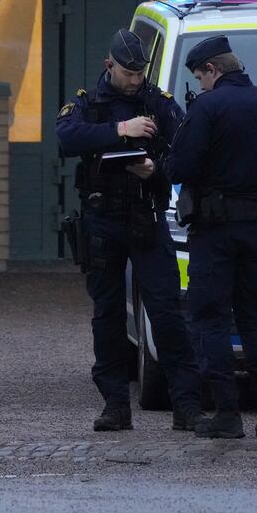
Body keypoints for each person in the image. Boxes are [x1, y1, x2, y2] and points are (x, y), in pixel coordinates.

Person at [56, 28, 202, 433]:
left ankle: (186, 404)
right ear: (109, 66)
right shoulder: (88, 104)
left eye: (141, 73)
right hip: (103, 218)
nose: (136, 80)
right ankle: (116, 404)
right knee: (107, 315)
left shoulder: (159, 103)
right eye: (128, 73)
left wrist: (156, 169)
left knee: (167, 311)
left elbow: (187, 153)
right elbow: (66, 137)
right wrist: (121, 131)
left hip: (146, 215)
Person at [167, 34, 257, 439]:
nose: (200, 84)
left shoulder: (208, 106)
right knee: (256, 319)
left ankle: (227, 414)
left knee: (211, 319)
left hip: (216, 230)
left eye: (201, 75)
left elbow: (180, 166)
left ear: (213, 70)